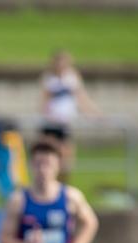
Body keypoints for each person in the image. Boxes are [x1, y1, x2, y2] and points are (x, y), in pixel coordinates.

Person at [39, 49, 101, 181]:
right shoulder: (49, 78)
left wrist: (94, 113)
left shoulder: (72, 77)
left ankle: (62, 182)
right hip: (51, 123)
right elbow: (44, 100)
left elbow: (81, 97)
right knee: (49, 155)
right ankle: (50, 181)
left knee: (66, 158)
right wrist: (46, 114)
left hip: (65, 123)